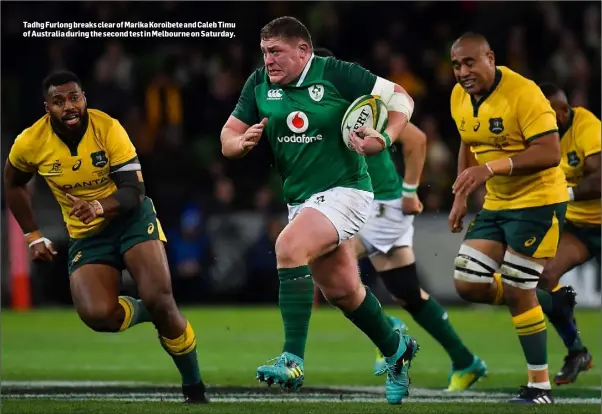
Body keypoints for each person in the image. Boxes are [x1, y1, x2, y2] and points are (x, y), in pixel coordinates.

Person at [220, 17, 418, 405]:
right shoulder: (258, 82)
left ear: (303, 50)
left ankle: (292, 359)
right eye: (264, 52)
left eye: (275, 52)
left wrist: (386, 136)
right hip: (302, 200)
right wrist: (240, 142)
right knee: (344, 292)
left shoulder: (337, 74)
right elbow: (227, 136)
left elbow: (401, 98)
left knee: (287, 247)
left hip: (348, 191)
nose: (268, 60)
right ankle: (397, 351)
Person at [3, 71, 208, 404]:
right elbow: (13, 183)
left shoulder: (108, 128)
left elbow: (134, 191)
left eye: (74, 98)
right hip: (87, 234)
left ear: (84, 99)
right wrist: (33, 235)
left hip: (130, 219)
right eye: (58, 101)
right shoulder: (30, 142)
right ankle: (148, 310)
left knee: (160, 297)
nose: (68, 107)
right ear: (47, 108)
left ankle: (194, 388)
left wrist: (100, 205)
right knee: (98, 316)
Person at [313, 47, 488, 391]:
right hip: (370, 204)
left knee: (328, 269)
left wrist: (410, 191)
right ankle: (466, 361)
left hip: (380, 205)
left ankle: (388, 331)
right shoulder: (312, 112)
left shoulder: (359, 105)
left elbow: (417, 139)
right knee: (407, 291)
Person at [448, 33, 568, 404]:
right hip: (498, 204)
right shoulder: (459, 97)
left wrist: (493, 168)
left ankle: (540, 387)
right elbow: (467, 141)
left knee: (517, 289)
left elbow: (550, 151)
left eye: (470, 63)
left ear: (490, 57)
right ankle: (541, 299)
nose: (463, 72)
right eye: (456, 65)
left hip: (539, 201)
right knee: (467, 283)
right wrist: (460, 195)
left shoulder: (525, 93)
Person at [535, 82, 598, 385]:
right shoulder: (543, 135)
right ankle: (577, 351)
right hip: (581, 228)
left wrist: (566, 194)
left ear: (562, 111)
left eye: (545, 114)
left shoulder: (587, 126)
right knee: (545, 277)